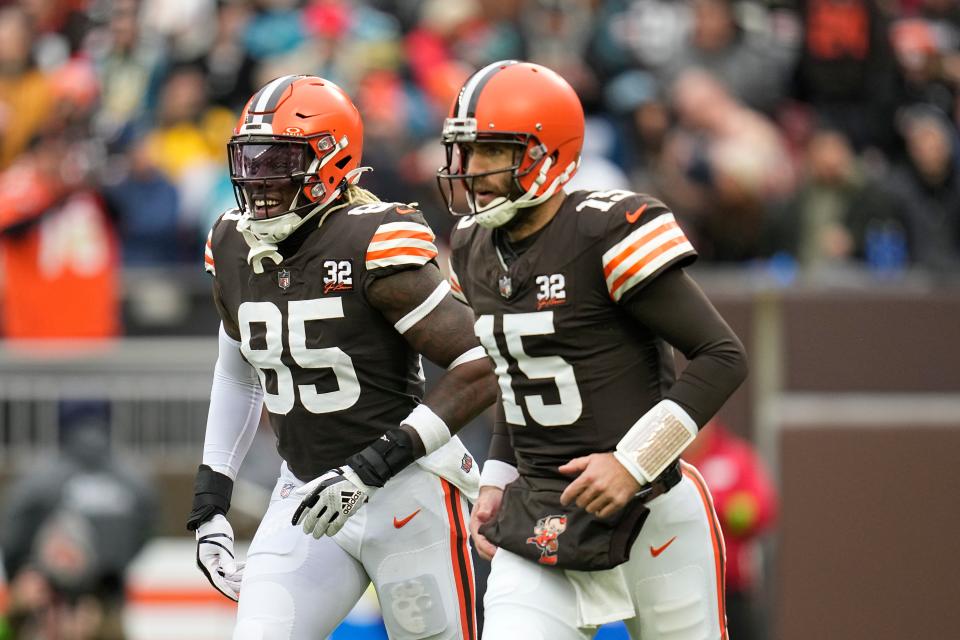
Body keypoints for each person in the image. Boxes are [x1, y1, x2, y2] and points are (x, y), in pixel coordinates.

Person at [438, 60, 748, 639]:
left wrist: (634, 462)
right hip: (539, 515)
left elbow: (723, 356)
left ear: (545, 155)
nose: (470, 170)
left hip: (653, 515)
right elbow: (516, 374)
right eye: (464, 151)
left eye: (490, 152)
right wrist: (497, 476)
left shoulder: (605, 231)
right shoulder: (474, 245)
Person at [187, 75, 497, 640]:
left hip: (408, 491)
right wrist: (211, 501)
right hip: (305, 492)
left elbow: (482, 364)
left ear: (331, 161)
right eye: (250, 160)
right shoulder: (232, 241)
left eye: (279, 161)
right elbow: (238, 369)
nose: (260, 180)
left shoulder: (373, 240)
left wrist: (370, 467)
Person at [682, 420, 778, 640]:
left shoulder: (735, 456)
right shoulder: (666, 464)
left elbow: (761, 510)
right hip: (680, 588)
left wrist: (716, 506)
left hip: (731, 589)